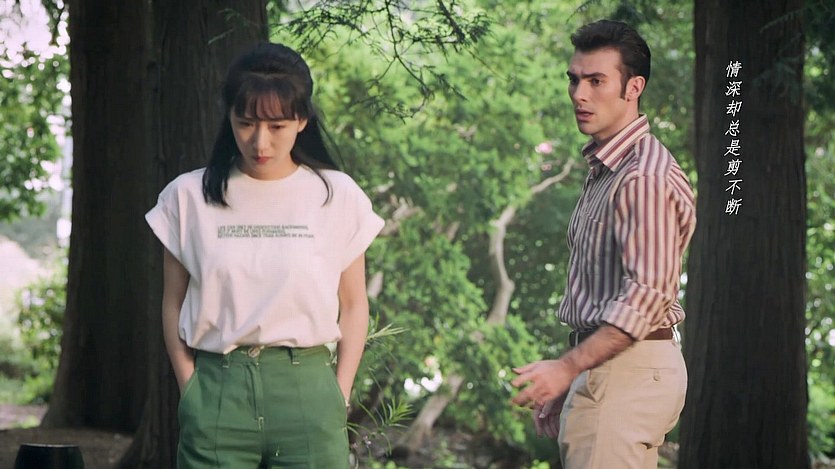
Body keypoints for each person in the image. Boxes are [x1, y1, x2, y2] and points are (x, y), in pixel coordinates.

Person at [145, 42, 384, 468]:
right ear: (230, 118)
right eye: (246, 123)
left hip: (308, 395)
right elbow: (172, 303)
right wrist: (189, 388)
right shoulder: (187, 197)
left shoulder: (337, 196)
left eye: (277, 126)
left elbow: (353, 304)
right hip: (217, 393)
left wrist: (340, 393)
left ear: (302, 120)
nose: (260, 141)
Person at [510, 20, 696, 468]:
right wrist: (577, 377)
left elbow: (647, 296)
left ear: (634, 87)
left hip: (627, 374)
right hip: (616, 372)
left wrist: (568, 368)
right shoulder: (610, 168)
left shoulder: (641, 177)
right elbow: (609, 295)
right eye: (574, 80)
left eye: (596, 81)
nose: (579, 94)